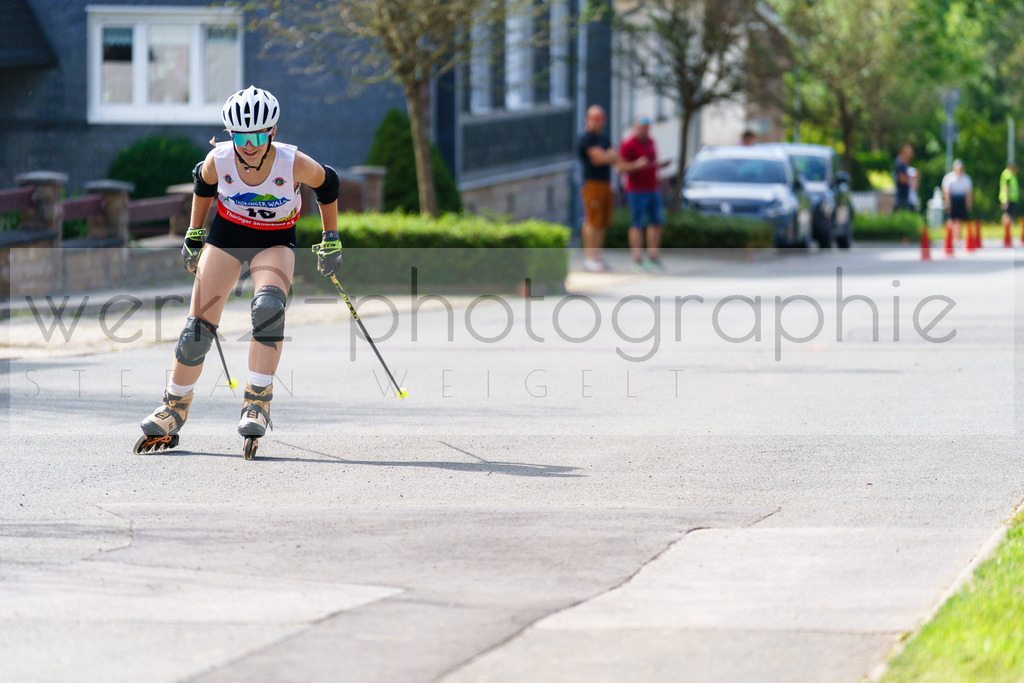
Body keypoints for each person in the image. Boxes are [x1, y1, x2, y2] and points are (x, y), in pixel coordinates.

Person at [134, 85, 341, 455]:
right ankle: (172, 409)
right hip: (227, 236)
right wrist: (195, 233)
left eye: (258, 135)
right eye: (242, 135)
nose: (249, 144)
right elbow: (203, 183)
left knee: (267, 310)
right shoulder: (220, 159)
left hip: (275, 240)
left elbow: (329, 183)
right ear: (232, 134)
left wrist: (331, 237)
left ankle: (257, 403)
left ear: (271, 132)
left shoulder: (292, 162)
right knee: (196, 328)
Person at [618, 116, 671, 271]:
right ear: (635, 127)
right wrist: (636, 165)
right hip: (636, 190)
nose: (644, 130)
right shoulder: (628, 144)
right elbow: (620, 168)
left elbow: (652, 163)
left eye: (647, 127)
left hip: (652, 187)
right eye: (641, 127)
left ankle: (653, 256)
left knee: (657, 222)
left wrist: (660, 168)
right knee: (637, 223)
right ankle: (637, 259)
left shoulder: (651, 142)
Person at [577, 105, 617, 272]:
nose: (598, 122)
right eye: (595, 118)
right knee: (592, 220)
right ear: (587, 120)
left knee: (601, 222)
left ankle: (597, 256)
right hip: (591, 183)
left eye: (600, 119)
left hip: (605, 183)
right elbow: (598, 159)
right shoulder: (585, 139)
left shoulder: (604, 138)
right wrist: (607, 156)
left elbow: (615, 157)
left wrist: (607, 156)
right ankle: (589, 257)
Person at [942, 159, 973, 244]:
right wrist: (947, 202)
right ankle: (951, 236)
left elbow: (968, 193)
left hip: (961, 200)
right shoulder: (949, 178)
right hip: (953, 199)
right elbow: (946, 191)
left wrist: (968, 203)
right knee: (951, 220)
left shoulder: (966, 178)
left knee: (959, 220)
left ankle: (957, 237)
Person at [893, 143, 914, 212]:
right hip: (901, 193)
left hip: (905, 194)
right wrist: (911, 179)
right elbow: (901, 178)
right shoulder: (899, 163)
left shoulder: (904, 163)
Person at [1000, 162, 1019, 233]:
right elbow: (1006, 188)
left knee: (1008, 214)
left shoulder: (1010, 175)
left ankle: (1006, 230)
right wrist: (1006, 200)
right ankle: (1007, 230)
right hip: (1008, 199)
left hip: (1010, 198)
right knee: (1007, 215)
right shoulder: (1008, 175)